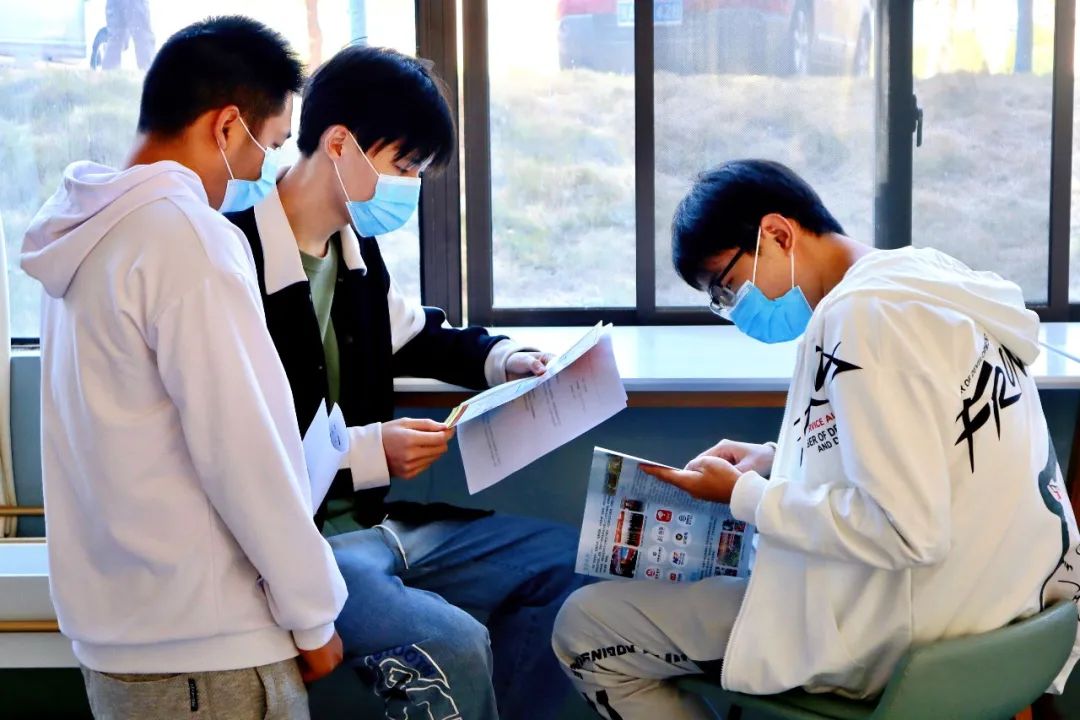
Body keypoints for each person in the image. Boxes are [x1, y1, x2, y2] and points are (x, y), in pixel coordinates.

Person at [551, 159, 1080, 719]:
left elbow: (907, 530)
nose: (732, 310)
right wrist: (777, 461)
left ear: (778, 234)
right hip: (1006, 619)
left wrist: (743, 495)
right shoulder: (925, 288)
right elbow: (926, 455)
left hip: (911, 637)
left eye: (726, 287)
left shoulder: (863, 317)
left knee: (585, 627)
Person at [223, 45, 586, 720]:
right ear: (339, 144)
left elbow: (414, 334)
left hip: (379, 526)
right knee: (455, 642)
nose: (411, 186)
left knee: (564, 566)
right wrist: (372, 450)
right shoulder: (232, 257)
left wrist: (504, 359)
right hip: (304, 548)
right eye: (404, 166)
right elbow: (241, 444)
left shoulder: (357, 252)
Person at [20, 17, 346, 719]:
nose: (262, 172)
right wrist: (314, 616)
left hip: (121, 647)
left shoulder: (84, 235)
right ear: (227, 126)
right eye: (270, 144)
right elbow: (244, 450)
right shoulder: (188, 237)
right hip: (208, 649)